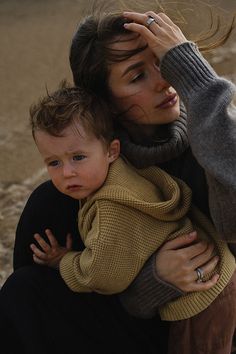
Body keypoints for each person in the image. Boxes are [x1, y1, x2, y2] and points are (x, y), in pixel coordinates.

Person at [0, 4, 235, 354]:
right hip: (132, 328)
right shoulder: (70, 191)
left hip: (217, 325)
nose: (164, 81)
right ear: (106, 104)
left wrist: (198, 83)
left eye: (163, 60)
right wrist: (154, 282)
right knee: (25, 286)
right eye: (137, 75)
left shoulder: (217, 137)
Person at [29, 82, 236, 353]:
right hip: (217, 281)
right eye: (53, 163)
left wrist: (62, 261)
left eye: (78, 157)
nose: (67, 172)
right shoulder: (124, 172)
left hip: (203, 296)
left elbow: (103, 276)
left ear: (112, 151)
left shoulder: (113, 207)